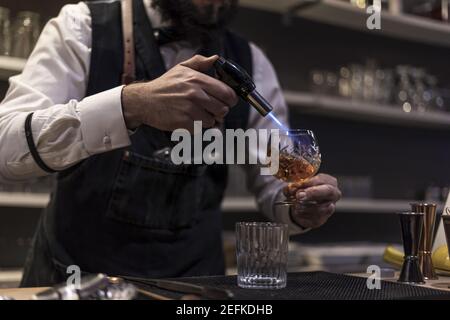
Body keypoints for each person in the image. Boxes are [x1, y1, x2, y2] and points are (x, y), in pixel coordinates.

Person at [0, 0, 341, 287]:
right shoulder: (83, 26)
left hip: (196, 288)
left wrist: (296, 205)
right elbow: (7, 148)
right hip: (78, 280)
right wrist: (130, 104)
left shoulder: (252, 63)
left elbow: (274, 183)